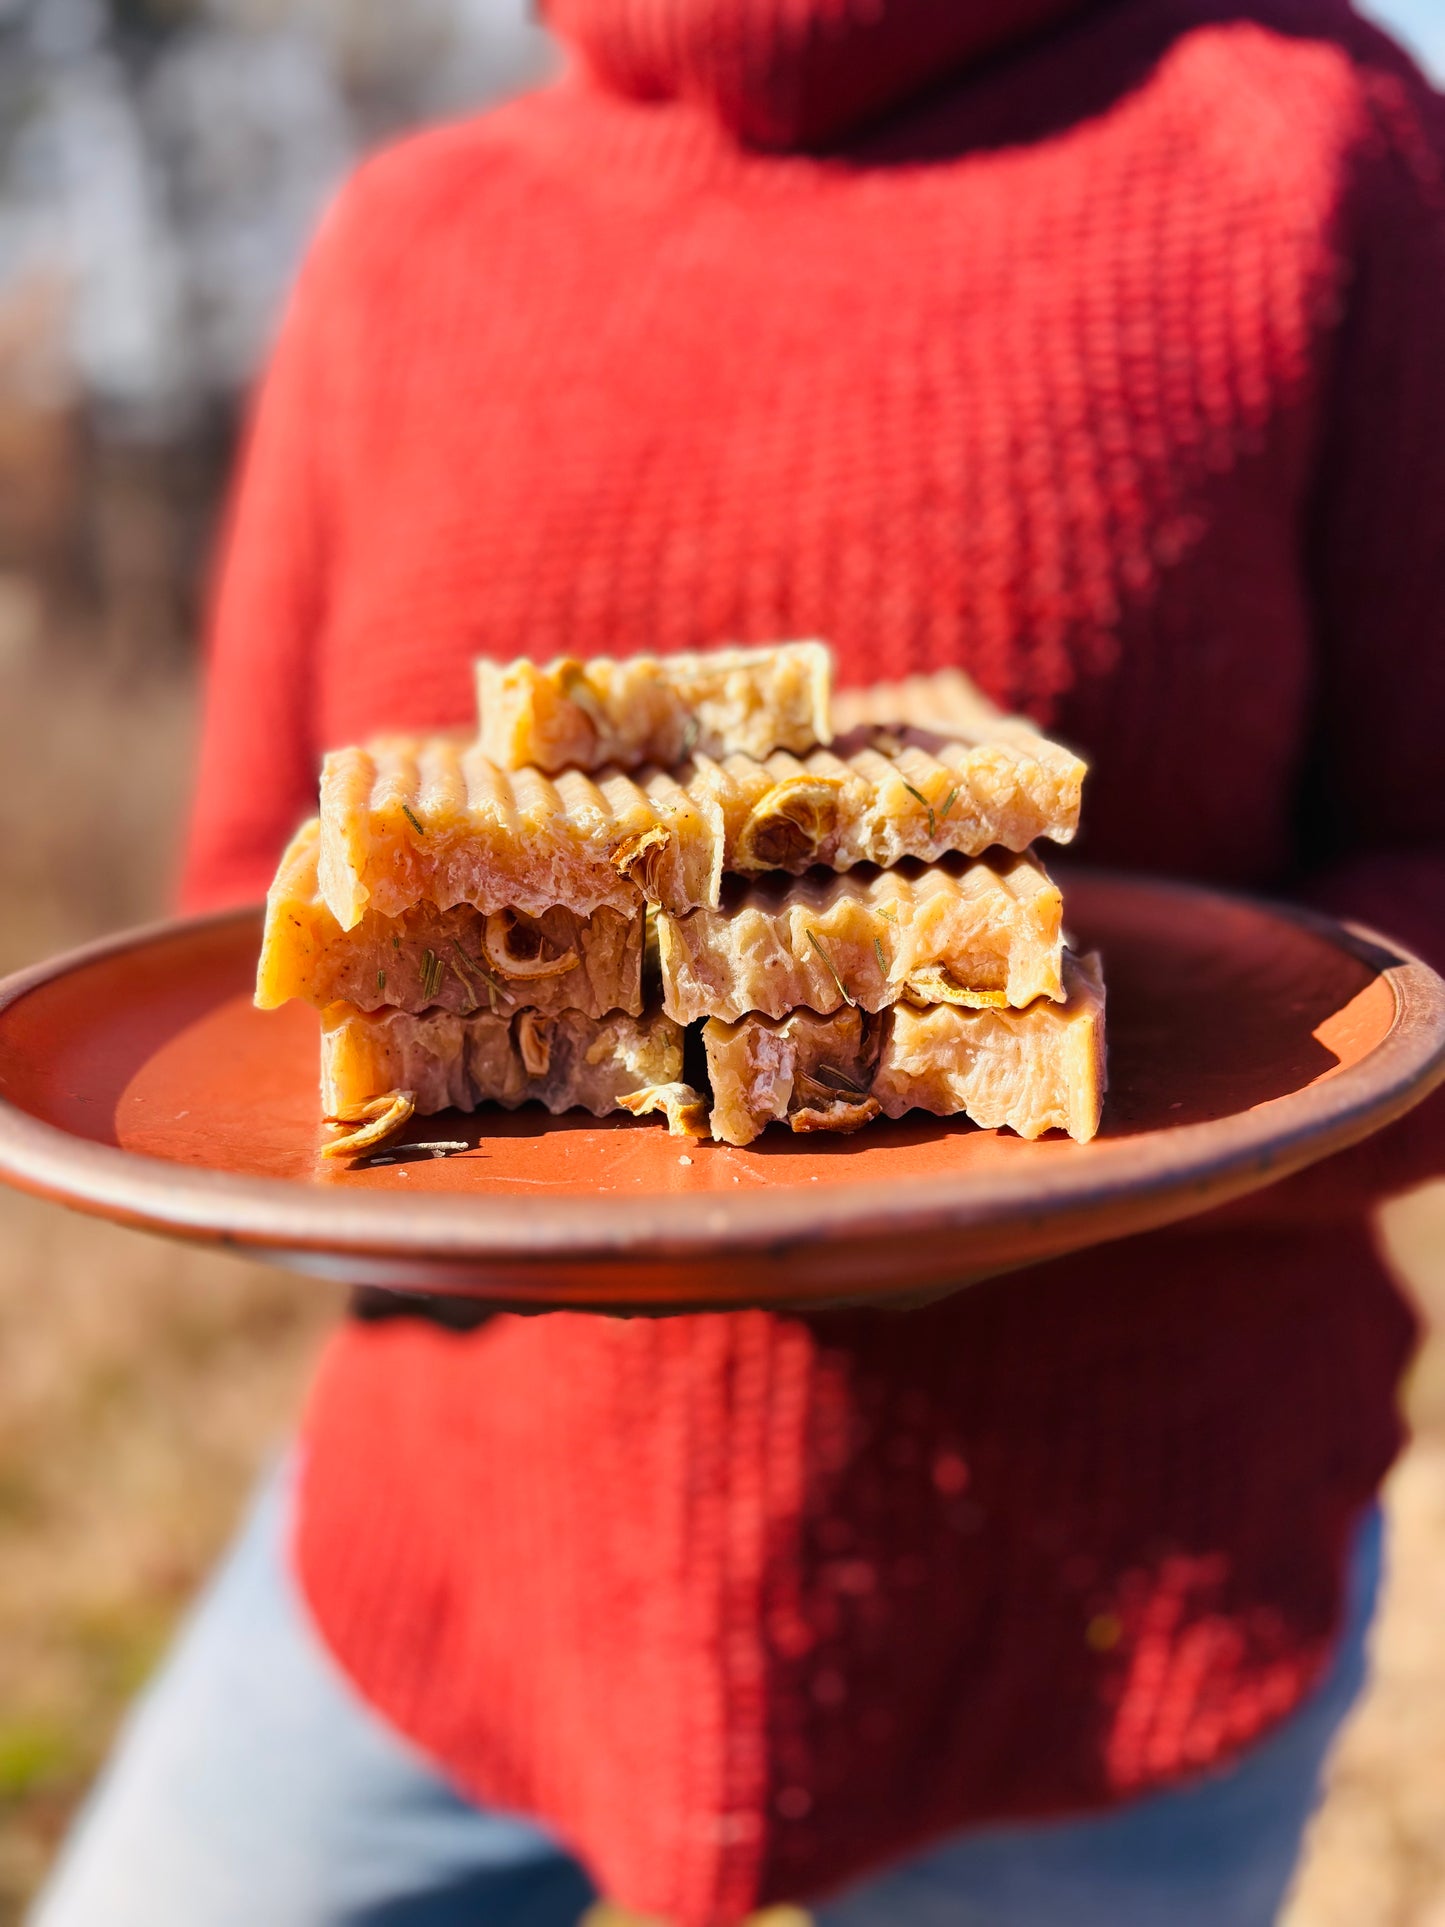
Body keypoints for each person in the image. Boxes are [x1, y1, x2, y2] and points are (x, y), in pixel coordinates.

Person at [33, 1, 1445, 1922]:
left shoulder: (1309, 142)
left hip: (1120, 1580)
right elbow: (258, 913)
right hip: (454, 1543)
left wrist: (1136, 1120)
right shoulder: (403, 233)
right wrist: (413, 1202)